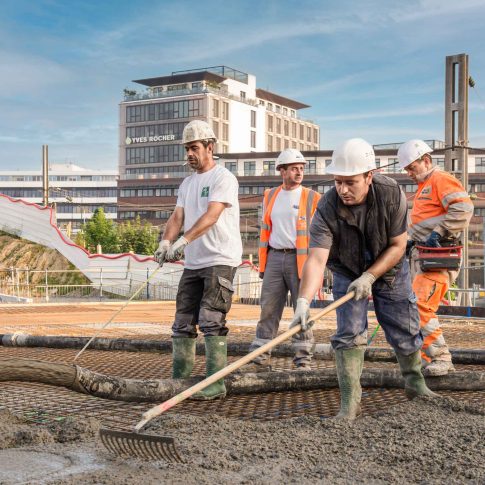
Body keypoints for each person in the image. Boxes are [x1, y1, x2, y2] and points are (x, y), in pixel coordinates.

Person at [290, 138, 437, 420]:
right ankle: (349, 401)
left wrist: (370, 276)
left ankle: (415, 384)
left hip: (390, 268)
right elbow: (317, 259)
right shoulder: (327, 207)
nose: (342, 190)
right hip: (347, 269)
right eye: (337, 182)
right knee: (349, 334)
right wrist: (302, 302)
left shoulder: (391, 194)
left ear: (369, 176)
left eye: (350, 182)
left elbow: (397, 245)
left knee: (403, 327)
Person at [154, 120, 242, 400]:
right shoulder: (187, 183)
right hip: (193, 263)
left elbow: (212, 215)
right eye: (187, 149)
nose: (189, 154)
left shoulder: (223, 178)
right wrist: (166, 241)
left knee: (211, 320)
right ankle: (180, 381)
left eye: (194, 148)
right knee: (182, 322)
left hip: (219, 259)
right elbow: (177, 217)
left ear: (209, 147)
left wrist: (184, 241)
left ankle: (215, 383)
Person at [397, 140, 473, 376]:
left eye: (412, 168)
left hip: (439, 257)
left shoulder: (440, 179)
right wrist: (412, 238)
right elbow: (428, 220)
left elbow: (463, 208)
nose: (409, 174)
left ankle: (441, 357)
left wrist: (438, 233)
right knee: (413, 308)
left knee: (419, 306)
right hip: (424, 256)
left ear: (426, 161)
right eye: (407, 170)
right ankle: (422, 359)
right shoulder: (424, 186)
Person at [246, 149, 320, 370]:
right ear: (282, 171)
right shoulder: (270, 195)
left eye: (301, 169)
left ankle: (303, 358)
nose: (299, 173)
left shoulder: (312, 197)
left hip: (302, 262)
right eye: (294, 169)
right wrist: (263, 264)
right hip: (275, 258)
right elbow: (265, 232)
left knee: (302, 310)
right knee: (268, 309)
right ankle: (260, 358)